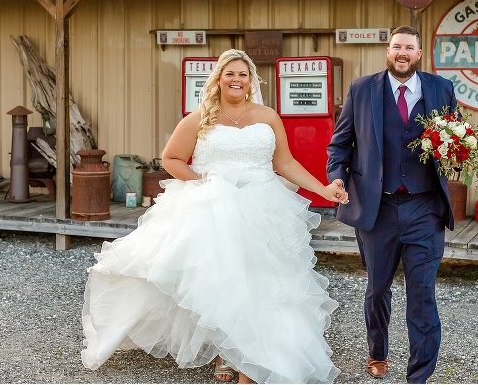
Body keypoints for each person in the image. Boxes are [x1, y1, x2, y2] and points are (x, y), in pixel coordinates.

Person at [81, 49, 348, 384]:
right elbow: (172, 158)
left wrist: (323, 189)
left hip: (262, 205)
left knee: (263, 280)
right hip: (214, 207)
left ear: (251, 81)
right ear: (219, 79)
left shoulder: (268, 116)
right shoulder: (200, 118)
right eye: (230, 74)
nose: (237, 80)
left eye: (243, 74)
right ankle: (227, 349)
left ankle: (255, 358)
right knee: (225, 280)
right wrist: (201, 183)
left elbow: (285, 163)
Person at [326, 25, 457, 384]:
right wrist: (337, 176)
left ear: (418, 53)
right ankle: (377, 351)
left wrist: (458, 155)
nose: (402, 53)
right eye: (396, 46)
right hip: (377, 208)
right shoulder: (362, 90)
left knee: (422, 295)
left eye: (409, 48)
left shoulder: (441, 88)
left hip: (424, 208)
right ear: (388, 50)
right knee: (377, 288)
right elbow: (340, 144)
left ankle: (418, 377)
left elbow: (455, 140)